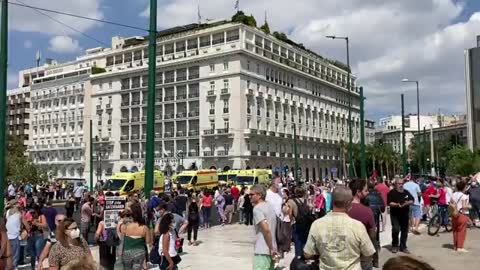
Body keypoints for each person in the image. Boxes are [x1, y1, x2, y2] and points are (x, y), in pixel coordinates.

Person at [304, 186, 375, 269]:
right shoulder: (357, 226)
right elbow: (369, 253)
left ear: (332, 201)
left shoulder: (317, 225)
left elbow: (307, 254)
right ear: (349, 203)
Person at [348, 179, 376, 270]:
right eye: (366, 190)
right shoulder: (367, 211)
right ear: (358, 192)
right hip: (362, 254)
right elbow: (372, 234)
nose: (368, 192)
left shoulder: (342, 210)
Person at [250, 184, 277, 270]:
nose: (249, 197)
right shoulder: (270, 206)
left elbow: (266, 229)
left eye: (252, 194)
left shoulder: (257, 209)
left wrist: (270, 248)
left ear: (259, 195)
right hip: (272, 248)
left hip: (262, 249)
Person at [120, 202, 152, 270]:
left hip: (127, 252)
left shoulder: (125, 227)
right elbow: (148, 242)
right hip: (139, 253)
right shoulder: (144, 228)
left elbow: (122, 241)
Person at [387, 177, 414, 253]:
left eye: (402, 183)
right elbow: (389, 203)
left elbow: (412, 200)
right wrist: (396, 204)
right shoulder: (391, 192)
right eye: (399, 183)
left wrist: (407, 203)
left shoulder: (406, 192)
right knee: (396, 229)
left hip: (404, 214)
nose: (401, 185)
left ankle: (403, 246)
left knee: (405, 230)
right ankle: (395, 245)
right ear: (395, 184)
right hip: (395, 215)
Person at [365, 180, 385, 268]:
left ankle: (367, 257)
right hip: (375, 218)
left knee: (366, 238)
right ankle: (376, 260)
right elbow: (383, 208)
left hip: (366, 218)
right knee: (375, 238)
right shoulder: (378, 195)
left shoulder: (365, 196)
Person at [6, 199, 29, 269]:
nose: (19, 204)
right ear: (15, 205)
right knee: (15, 255)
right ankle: (13, 267)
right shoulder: (20, 214)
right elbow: (26, 225)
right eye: (18, 203)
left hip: (8, 235)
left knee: (9, 254)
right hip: (15, 236)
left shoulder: (8, 212)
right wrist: (27, 231)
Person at [451, 180, 470, 252]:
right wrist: (469, 206)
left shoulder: (453, 194)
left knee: (455, 230)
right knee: (461, 230)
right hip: (462, 214)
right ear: (464, 187)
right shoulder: (464, 196)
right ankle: (460, 247)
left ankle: (455, 246)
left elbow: (451, 204)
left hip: (454, 214)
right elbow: (464, 206)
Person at [28, 205, 48, 269]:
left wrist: (36, 223)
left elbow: (45, 225)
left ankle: (40, 267)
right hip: (31, 236)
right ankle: (32, 267)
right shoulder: (31, 217)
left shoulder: (41, 216)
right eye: (31, 213)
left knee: (39, 254)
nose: (32, 214)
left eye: (33, 212)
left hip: (39, 236)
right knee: (32, 254)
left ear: (37, 211)